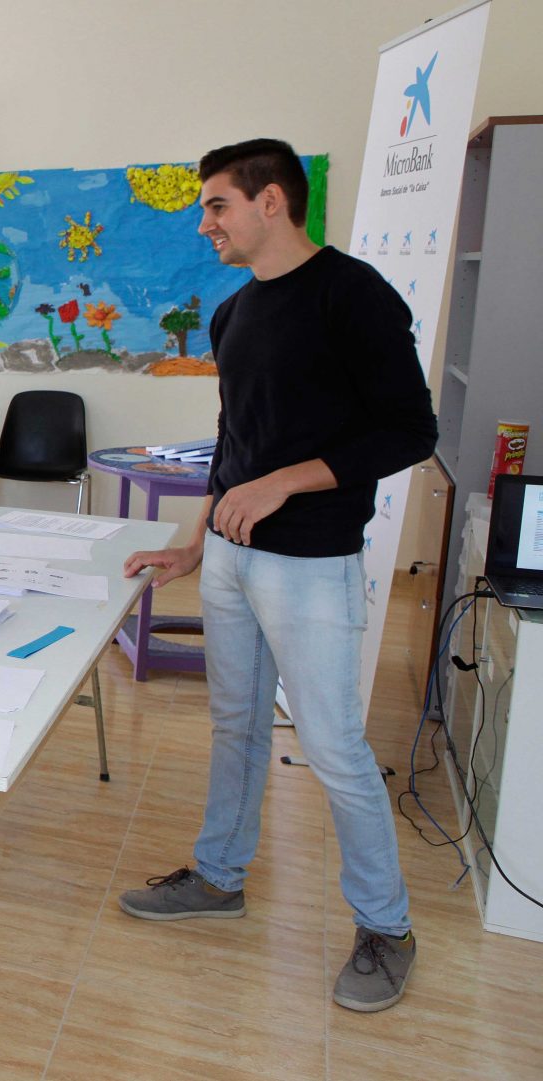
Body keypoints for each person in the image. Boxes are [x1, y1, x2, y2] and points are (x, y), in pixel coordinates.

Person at [118, 139, 437, 1013]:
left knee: (332, 748)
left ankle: (387, 926)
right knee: (236, 724)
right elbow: (234, 448)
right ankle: (219, 875)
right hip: (228, 557)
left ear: (271, 203)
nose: (205, 222)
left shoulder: (355, 296)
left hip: (311, 561)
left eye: (217, 204)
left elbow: (410, 431)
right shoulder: (233, 314)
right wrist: (191, 546)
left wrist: (285, 482)